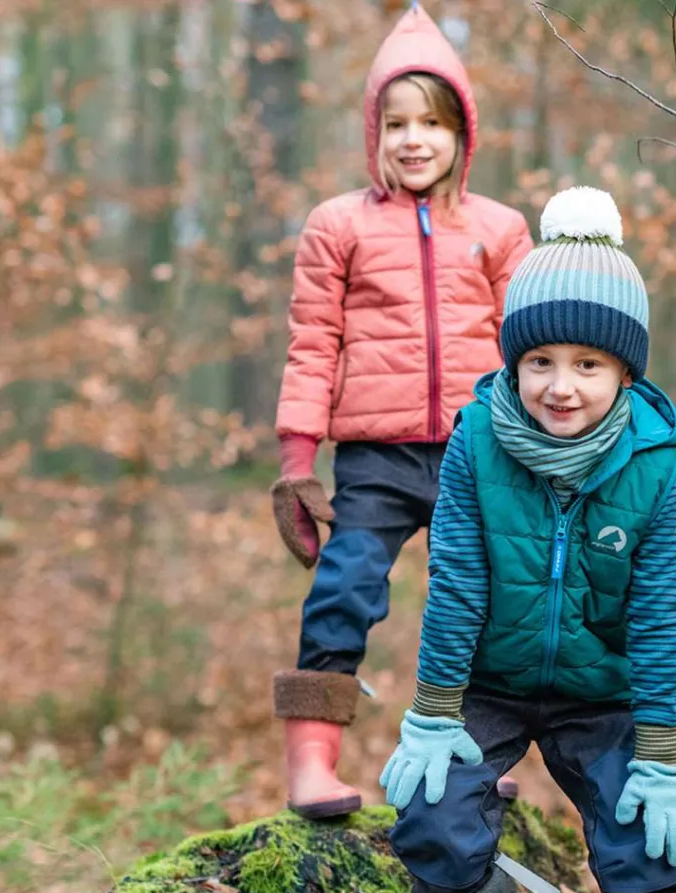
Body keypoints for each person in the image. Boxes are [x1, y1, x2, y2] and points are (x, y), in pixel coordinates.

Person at [378, 186, 676, 893]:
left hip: (598, 692)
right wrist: (433, 713)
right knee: (433, 805)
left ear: (626, 376)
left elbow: (660, 611)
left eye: (588, 364)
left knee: (645, 833)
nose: (560, 385)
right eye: (540, 361)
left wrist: (662, 752)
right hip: (487, 680)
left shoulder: (649, 463)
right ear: (514, 362)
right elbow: (455, 580)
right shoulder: (478, 445)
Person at [270, 2, 532, 819]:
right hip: (376, 458)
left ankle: (472, 759)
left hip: (480, 452)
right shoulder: (337, 226)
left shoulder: (500, 229)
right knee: (344, 589)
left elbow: (529, 349)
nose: (413, 139)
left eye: (432, 123)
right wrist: (296, 465)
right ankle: (313, 762)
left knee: (492, 604)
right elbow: (313, 343)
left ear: (462, 134)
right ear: (372, 134)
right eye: (396, 124)